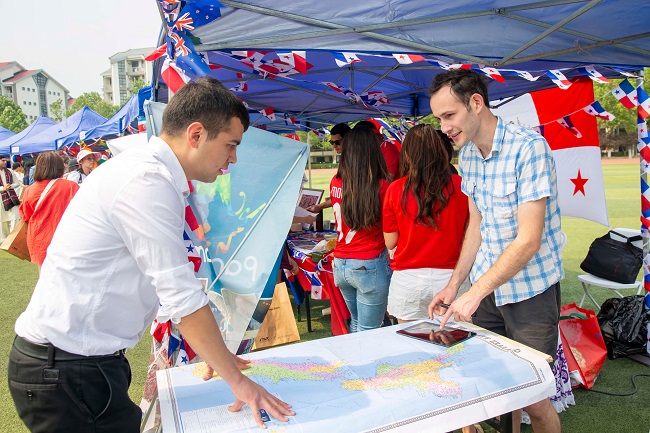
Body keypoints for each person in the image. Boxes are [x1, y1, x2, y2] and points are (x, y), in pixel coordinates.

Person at [9, 77, 294, 433]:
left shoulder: (150, 174)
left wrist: (217, 355)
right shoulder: (146, 180)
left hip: (81, 364)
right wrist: (237, 381)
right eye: (231, 144)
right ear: (196, 134)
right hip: (66, 370)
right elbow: (180, 295)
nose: (233, 158)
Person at [427, 69, 563, 433]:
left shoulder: (529, 148)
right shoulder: (468, 156)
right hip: (486, 292)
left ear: (476, 103)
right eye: (439, 119)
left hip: (531, 293)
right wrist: (455, 285)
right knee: (497, 394)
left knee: (535, 401)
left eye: (449, 115)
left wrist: (473, 293)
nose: (444, 127)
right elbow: (477, 224)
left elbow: (528, 240)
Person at [383, 124, 470, 324]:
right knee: (457, 340)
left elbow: (390, 242)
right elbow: (469, 234)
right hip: (453, 276)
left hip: (409, 280)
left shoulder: (395, 189)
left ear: (407, 153)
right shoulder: (460, 185)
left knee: (408, 341)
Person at [330, 125, 392, 332]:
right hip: (369, 263)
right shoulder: (382, 186)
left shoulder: (336, 181)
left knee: (357, 325)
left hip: (341, 263)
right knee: (368, 332)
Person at [19, 152, 79, 272]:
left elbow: (26, 216)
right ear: (60, 167)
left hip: (39, 238)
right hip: (66, 238)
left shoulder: (30, 190)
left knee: (44, 276)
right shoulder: (71, 186)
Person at [306, 122, 351, 215]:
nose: (334, 146)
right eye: (332, 142)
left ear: (348, 139)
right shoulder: (344, 162)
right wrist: (319, 206)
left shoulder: (358, 164)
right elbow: (341, 196)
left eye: (337, 142)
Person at [0, 155, 20, 240]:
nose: (5, 162)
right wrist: (2, 188)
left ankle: (13, 238)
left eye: (6, 161)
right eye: (3, 161)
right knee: (2, 221)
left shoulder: (10, 171)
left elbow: (17, 183)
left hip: (12, 198)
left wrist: (10, 186)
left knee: (15, 217)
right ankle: (4, 240)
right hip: (1, 200)